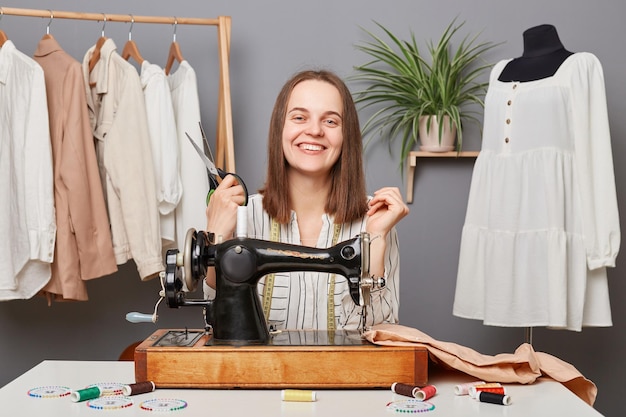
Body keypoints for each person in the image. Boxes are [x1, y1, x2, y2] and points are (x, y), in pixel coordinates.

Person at [203, 69, 409, 331]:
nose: (314, 130)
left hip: (346, 372)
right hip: (258, 373)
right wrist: (217, 238)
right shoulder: (241, 215)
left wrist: (376, 239)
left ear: (347, 137)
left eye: (331, 122)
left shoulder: (377, 218)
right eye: (300, 117)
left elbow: (379, 335)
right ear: (280, 128)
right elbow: (217, 329)